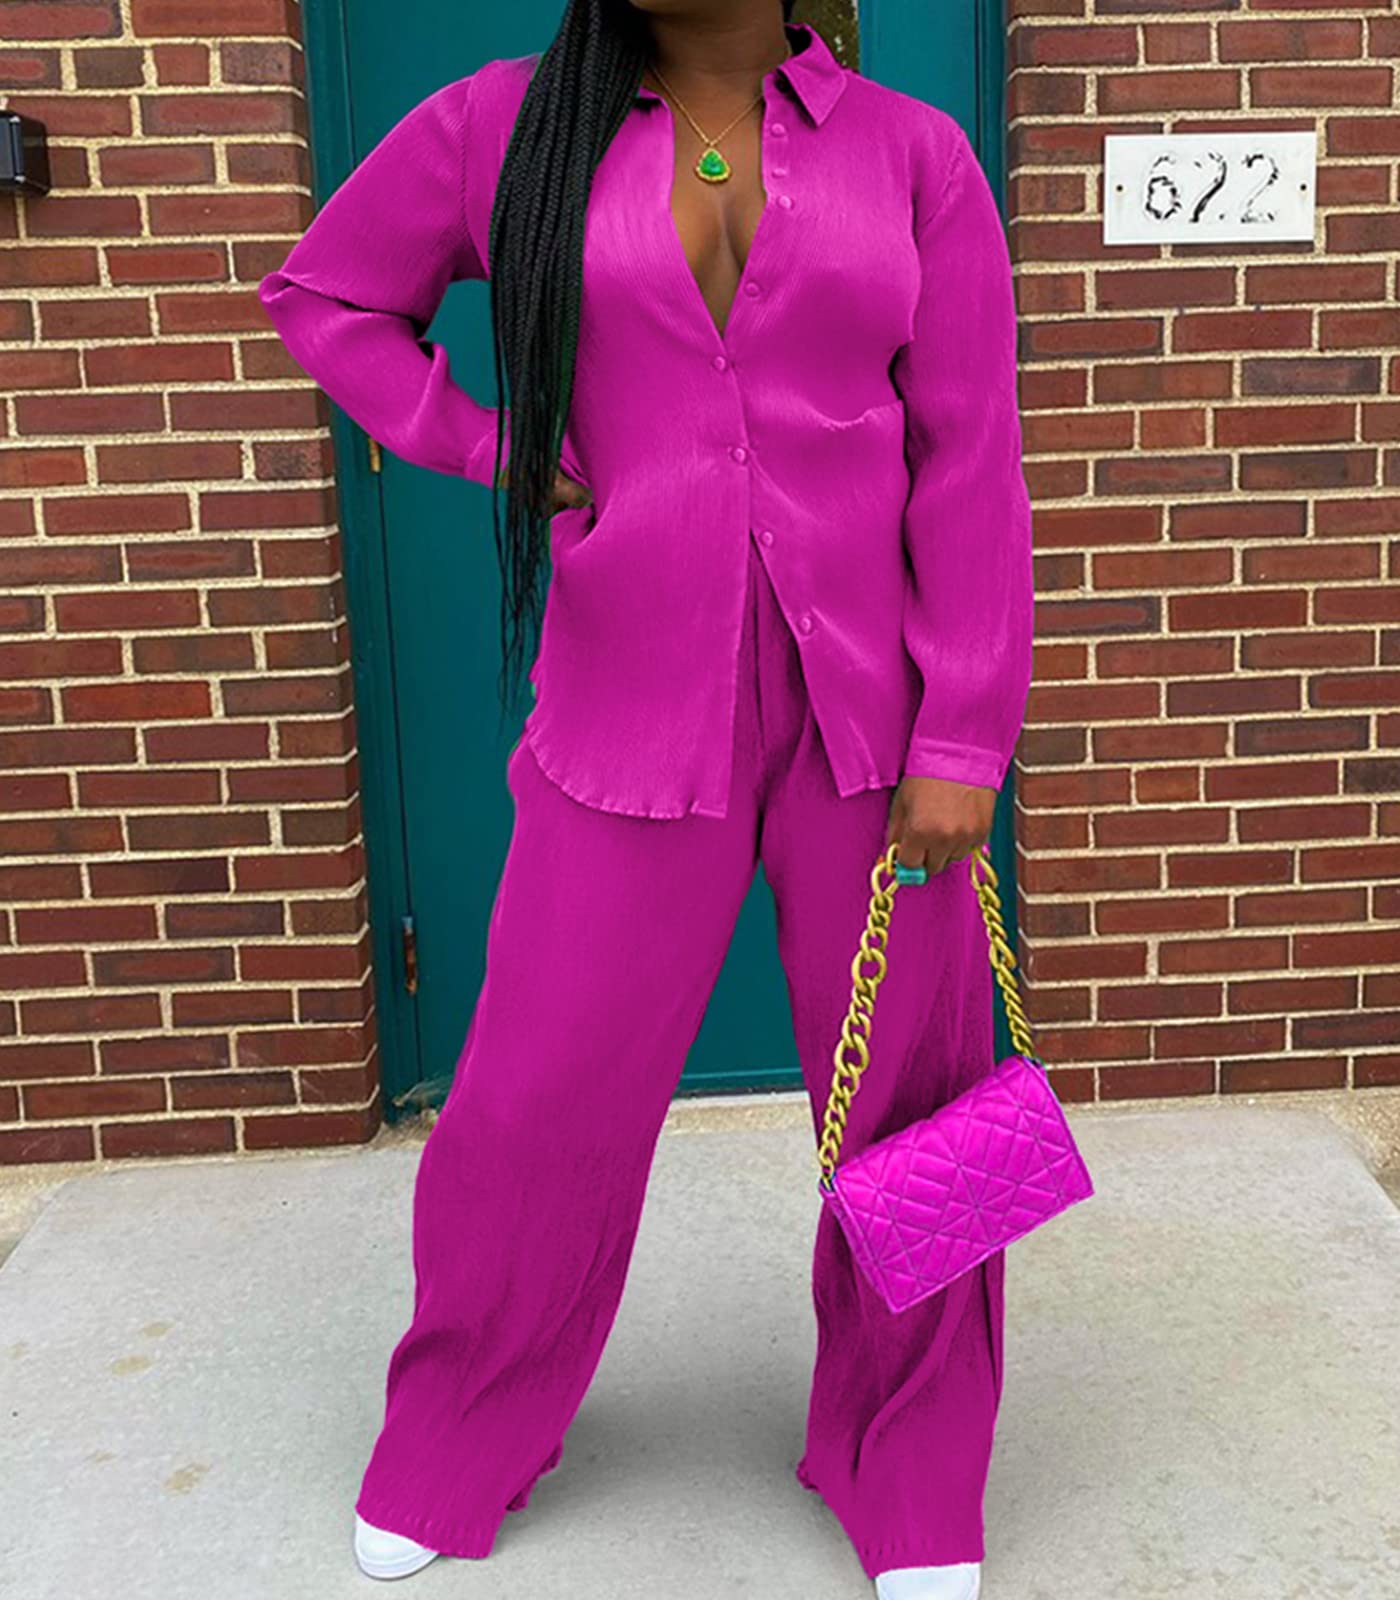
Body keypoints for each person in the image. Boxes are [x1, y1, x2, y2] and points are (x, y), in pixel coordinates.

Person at [257, 2, 1033, 1595]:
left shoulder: (916, 158)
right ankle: (456, 1432)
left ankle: (916, 1468)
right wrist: (486, 444)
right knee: (532, 1095)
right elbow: (325, 295)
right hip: (628, 696)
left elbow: (971, 454)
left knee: (921, 1100)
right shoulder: (502, 127)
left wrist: (966, 734)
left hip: (876, 717)